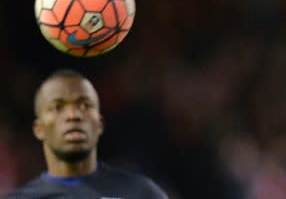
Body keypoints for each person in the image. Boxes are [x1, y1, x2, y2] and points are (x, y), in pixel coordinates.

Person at [4, 69, 168, 199]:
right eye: (57, 107)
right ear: (39, 129)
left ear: (100, 124)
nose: (73, 115)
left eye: (85, 105)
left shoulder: (140, 193)